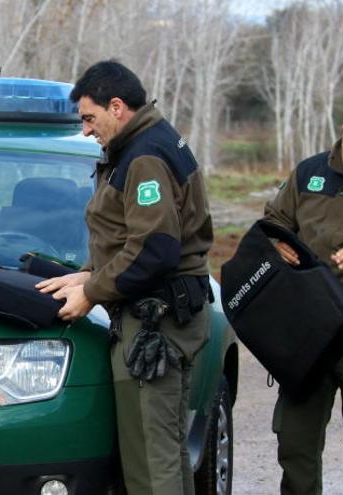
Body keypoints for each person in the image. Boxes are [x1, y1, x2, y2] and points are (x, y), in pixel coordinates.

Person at [37, 60, 213, 494]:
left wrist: (92, 292)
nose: (85, 130)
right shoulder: (143, 145)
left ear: (117, 107)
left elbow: (154, 250)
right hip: (163, 313)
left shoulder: (145, 156)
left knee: (151, 464)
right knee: (167, 453)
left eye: (89, 118)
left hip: (156, 323)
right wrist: (86, 275)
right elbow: (130, 237)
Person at [263, 102, 343, 495]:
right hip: (308, 333)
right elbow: (274, 220)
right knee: (296, 447)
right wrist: (276, 242)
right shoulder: (310, 171)